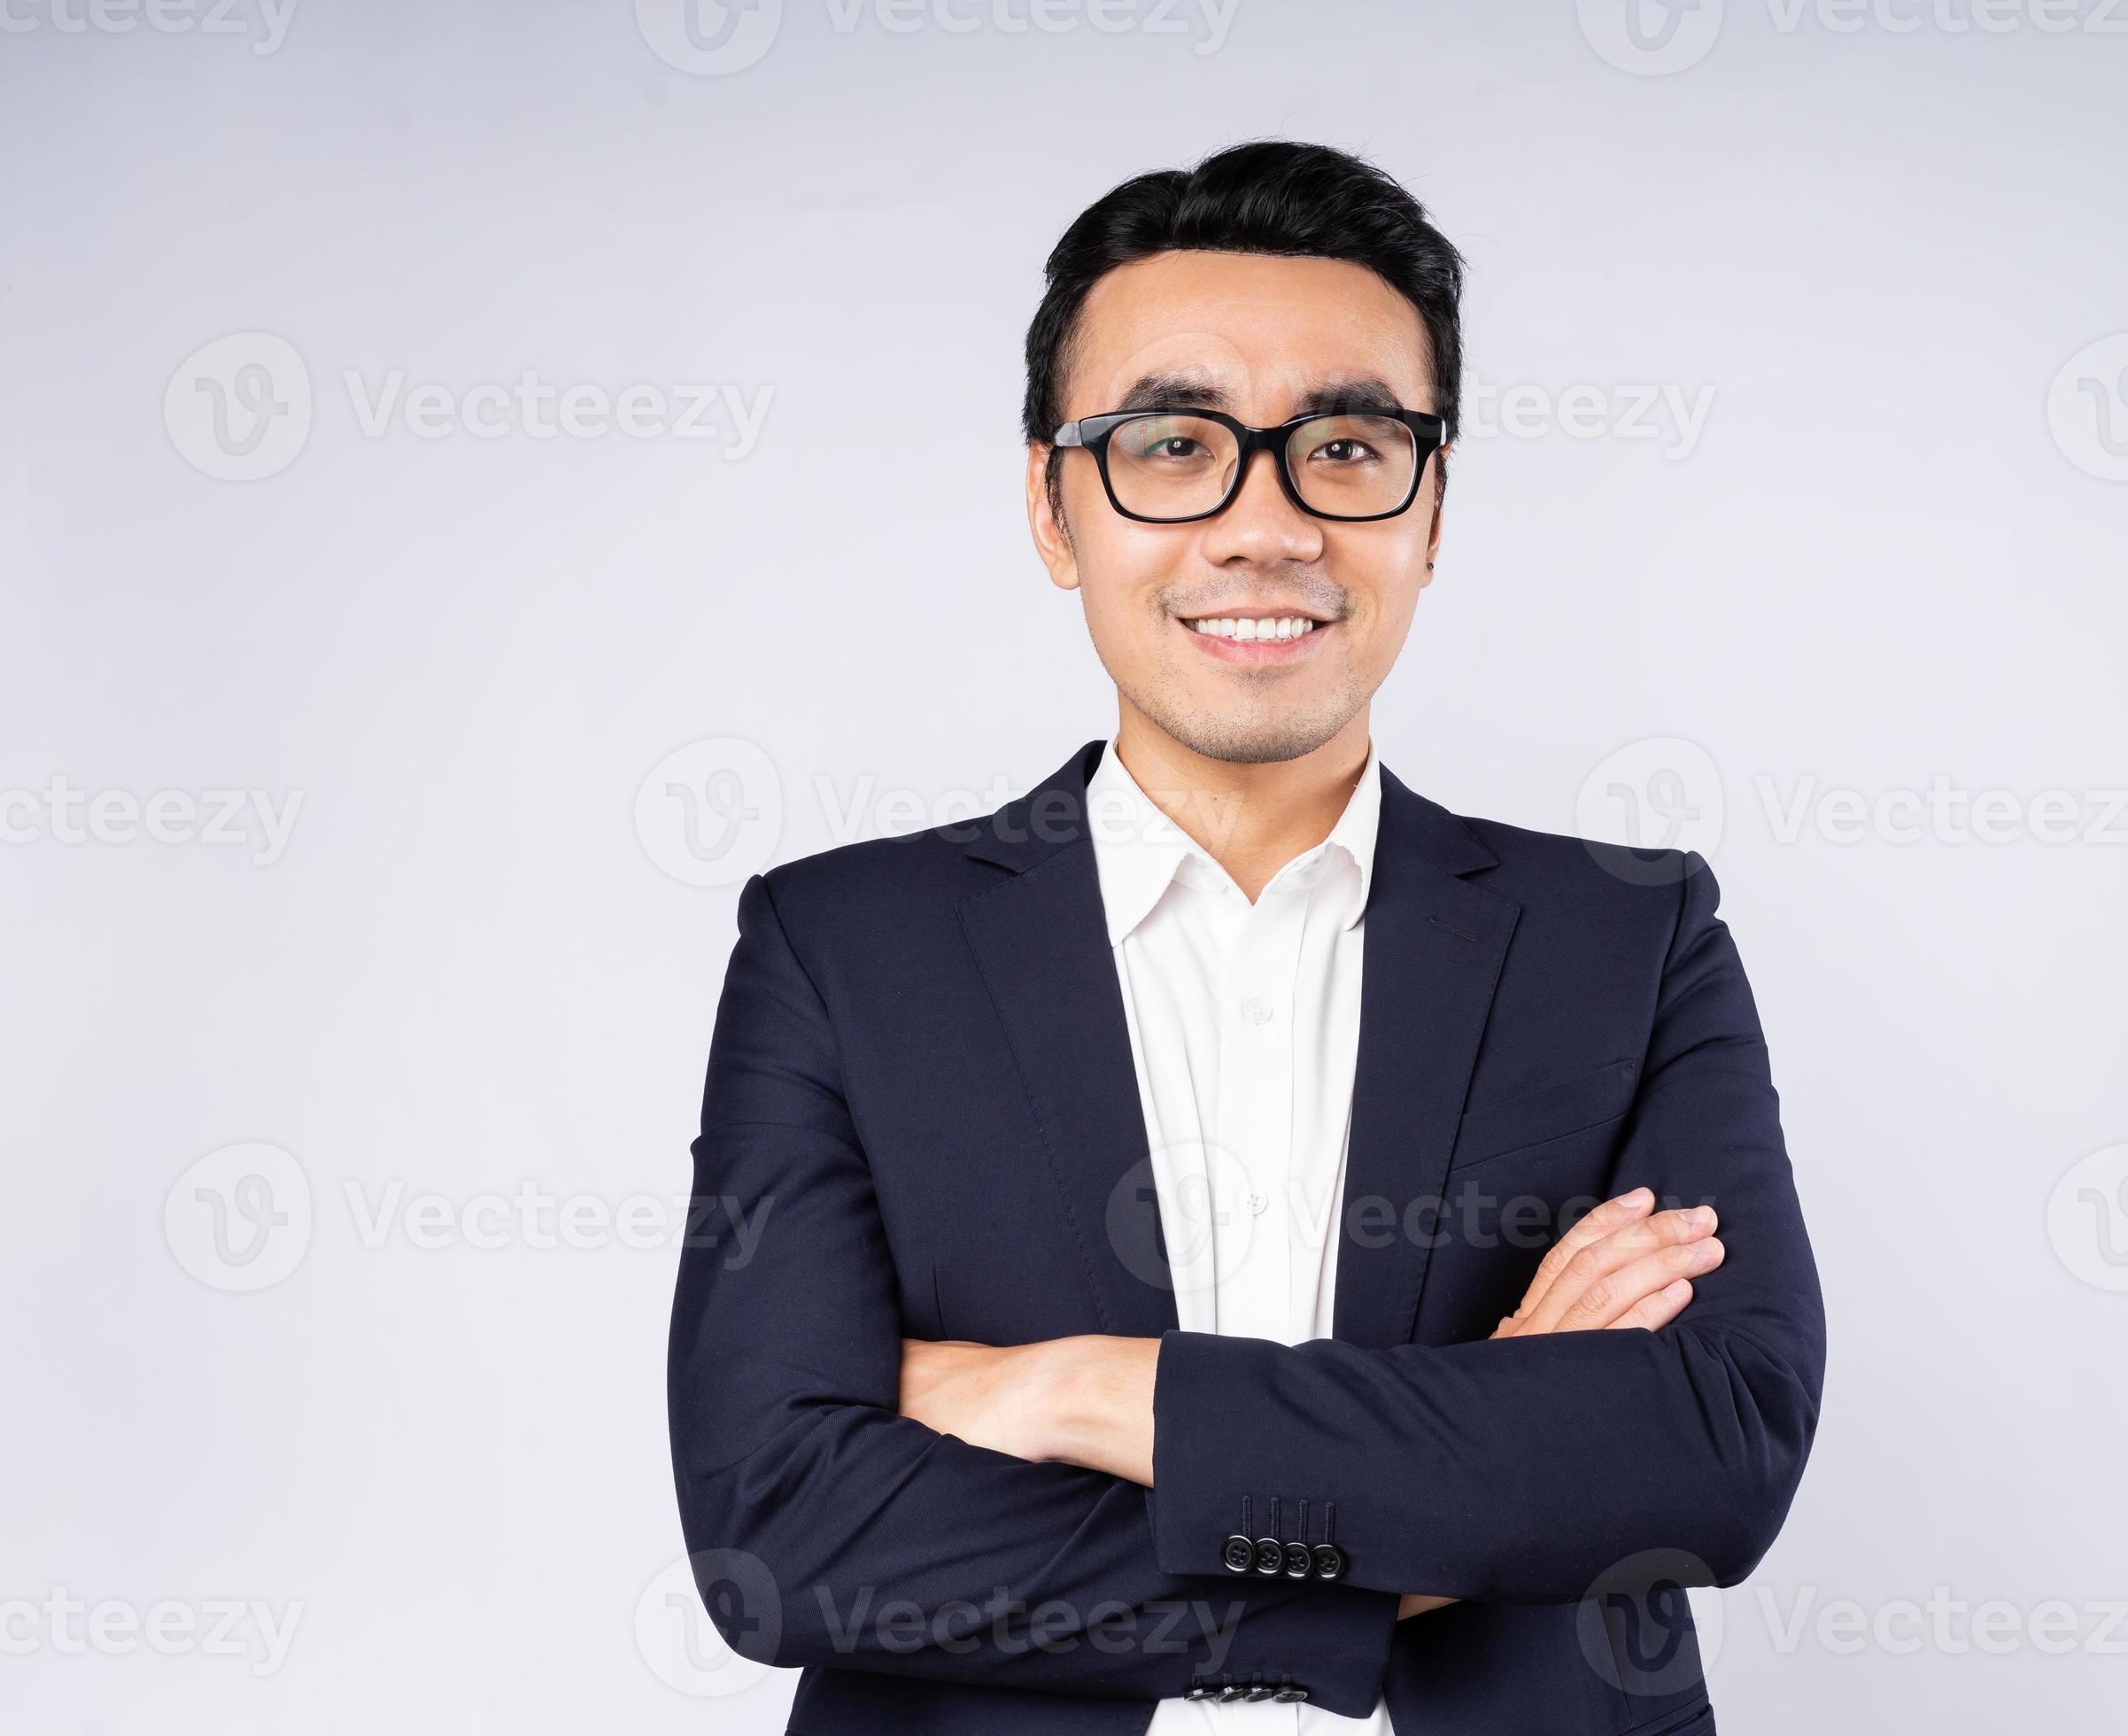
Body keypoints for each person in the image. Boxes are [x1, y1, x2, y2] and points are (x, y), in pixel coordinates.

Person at [666, 137, 1823, 1736]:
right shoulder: (844, 948)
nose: (1262, 524)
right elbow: (781, 1531)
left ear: (1432, 510)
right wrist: (1437, 1517)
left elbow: (1710, 1448)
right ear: (1054, 505)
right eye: (1171, 441)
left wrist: (1081, 1389)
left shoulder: (1625, 938)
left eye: (1346, 446)